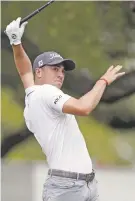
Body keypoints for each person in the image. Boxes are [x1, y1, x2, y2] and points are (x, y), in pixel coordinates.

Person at [5, 17, 125, 201]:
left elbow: (24, 71)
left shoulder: (33, 95)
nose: (61, 74)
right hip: (67, 187)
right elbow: (84, 107)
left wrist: (15, 42)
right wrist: (103, 81)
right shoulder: (46, 93)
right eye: (55, 69)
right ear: (40, 72)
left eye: (62, 70)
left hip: (82, 184)